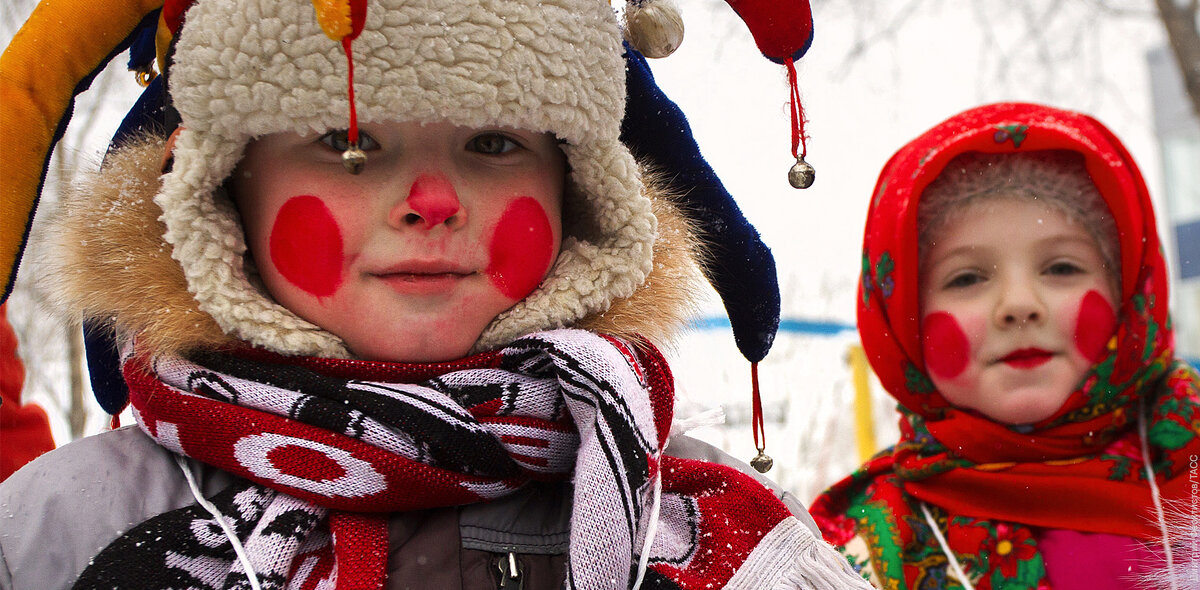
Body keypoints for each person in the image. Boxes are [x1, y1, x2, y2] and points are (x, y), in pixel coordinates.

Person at [0, 0, 869, 588]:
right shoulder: (59, 530)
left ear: (582, 190)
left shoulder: (705, 522)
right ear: (220, 192)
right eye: (349, 140)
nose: (431, 201)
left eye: (492, 142)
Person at [809, 102, 1200, 590]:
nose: (1019, 305)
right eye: (967, 277)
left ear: (1128, 295)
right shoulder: (853, 553)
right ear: (902, 320)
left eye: (1062, 268)